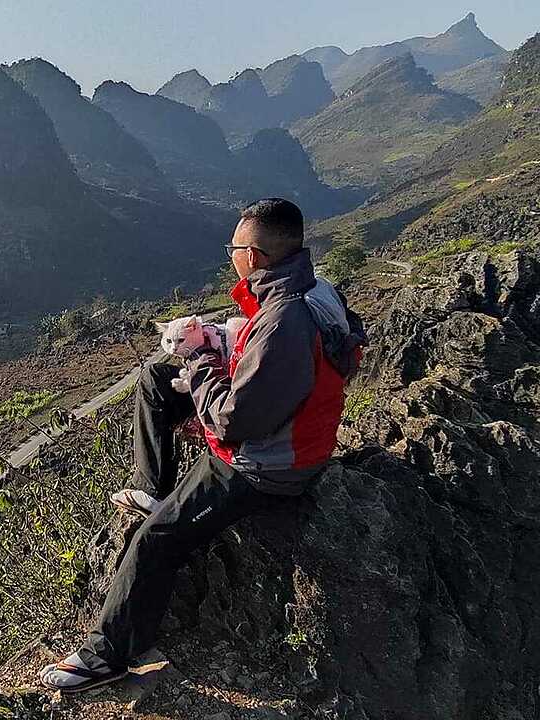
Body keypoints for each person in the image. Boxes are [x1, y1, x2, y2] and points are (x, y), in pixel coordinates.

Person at [39, 198, 367, 692]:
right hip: (286, 433)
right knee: (157, 376)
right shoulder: (314, 292)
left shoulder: (284, 322)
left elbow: (234, 421)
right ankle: (153, 485)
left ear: (253, 256)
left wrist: (198, 365)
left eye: (235, 247)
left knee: (155, 540)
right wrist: (214, 353)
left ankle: (107, 656)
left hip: (268, 464)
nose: (231, 254)